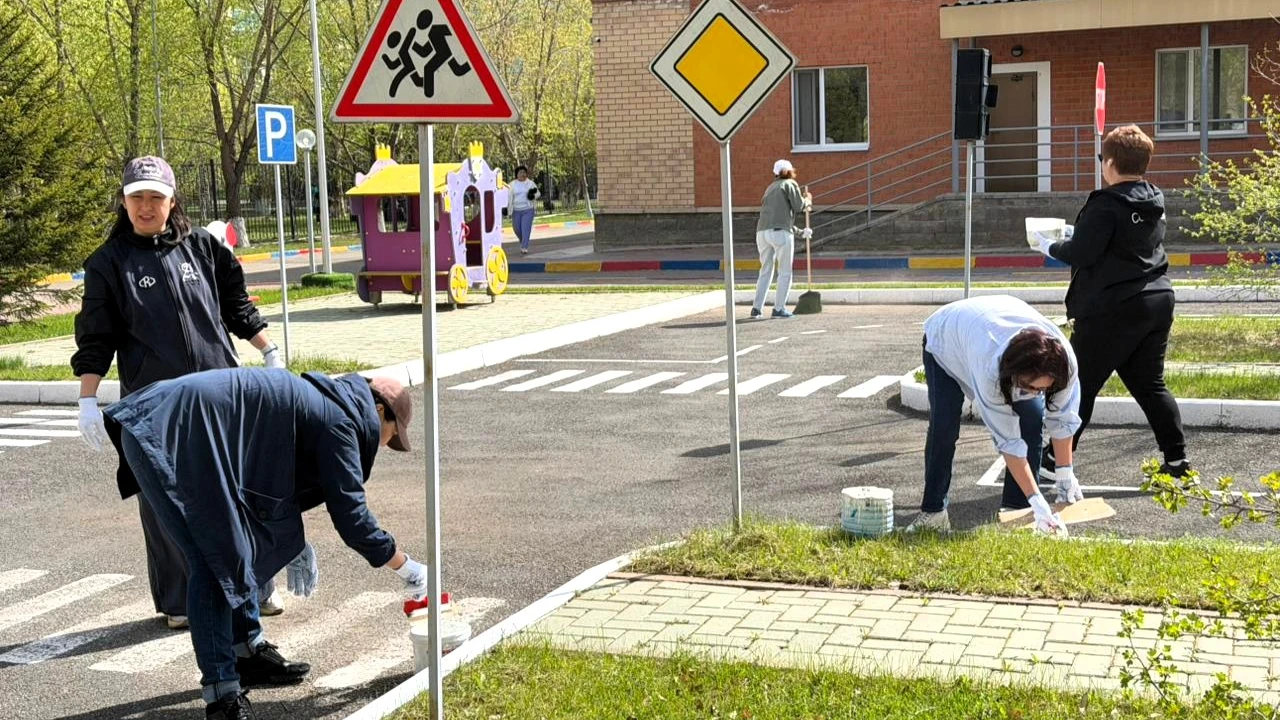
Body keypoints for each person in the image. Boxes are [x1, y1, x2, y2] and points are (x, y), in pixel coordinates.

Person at [101, 368, 429, 720]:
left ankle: (247, 652)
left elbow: (268, 483)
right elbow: (353, 517)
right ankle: (222, 697)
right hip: (164, 434)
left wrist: (293, 540)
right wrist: (405, 566)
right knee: (212, 563)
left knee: (240, 544)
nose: (384, 444)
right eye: (391, 434)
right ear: (379, 410)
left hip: (182, 432)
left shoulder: (328, 404)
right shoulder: (341, 422)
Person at [71, 156, 289, 630]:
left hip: (220, 395)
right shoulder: (108, 263)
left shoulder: (203, 248)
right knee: (166, 502)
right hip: (154, 406)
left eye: (156, 197)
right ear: (124, 201)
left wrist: (269, 351)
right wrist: (88, 399)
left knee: (236, 490)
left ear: (173, 201)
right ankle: (180, 601)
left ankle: (256, 586)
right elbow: (95, 338)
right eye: (137, 197)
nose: (146, 206)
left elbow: (235, 305)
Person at [1029, 125, 1191, 479]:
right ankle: (1178, 460)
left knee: (1077, 384)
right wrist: (1079, 234)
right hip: (1157, 299)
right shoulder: (1154, 200)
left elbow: (1084, 254)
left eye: (1103, 158)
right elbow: (1123, 242)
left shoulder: (1105, 203)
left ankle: (1055, 461)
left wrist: (1049, 246)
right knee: (1149, 384)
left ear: (1111, 163)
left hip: (1114, 307)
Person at [907, 295, 1085, 534]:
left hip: (989, 322)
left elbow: (1063, 419)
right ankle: (933, 512)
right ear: (1012, 374)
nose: (1036, 394)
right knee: (944, 427)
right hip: (946, 340)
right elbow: (1008, 441)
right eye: (1030, 388)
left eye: (1044, 389)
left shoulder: (1065, 363)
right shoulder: (990, 369)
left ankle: (1018, 512)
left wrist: (1065, 474)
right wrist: (1037, 498)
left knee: (1032, 417)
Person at [752, 159, 812, 319]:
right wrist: (807, 200)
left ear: (775, 173)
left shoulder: (770, 188)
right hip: (780, 234)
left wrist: (800, 232)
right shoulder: (790, 184)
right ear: (790, 171)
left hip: (762, 233)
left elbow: (777, 218)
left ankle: (756, 308)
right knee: (784, 272)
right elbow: (798, 206)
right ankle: (779, 309)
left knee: (765, 271)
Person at [508, 165, 538, 255]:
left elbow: (537, 193)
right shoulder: (512, 185)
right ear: (516, 174)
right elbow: (508, 197)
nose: (522, 174)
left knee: (525, 229)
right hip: (516, 210)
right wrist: (506, 208)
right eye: (520, 173)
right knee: (516, 229)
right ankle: (523, 240)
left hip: (528, 209)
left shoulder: (530, 183)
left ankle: (524, 247)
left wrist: (532, 195)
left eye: (524, 172)